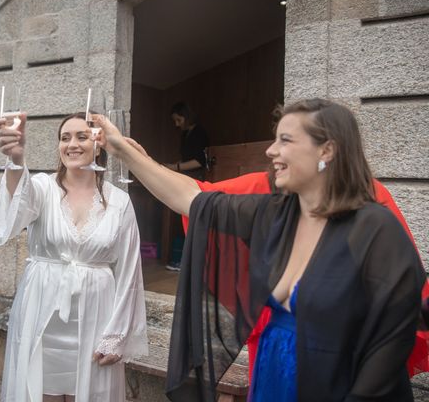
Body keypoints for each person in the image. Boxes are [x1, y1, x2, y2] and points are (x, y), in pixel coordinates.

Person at [96, 99, 427, 401]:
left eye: (286, 140)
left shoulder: (375, 229)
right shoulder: (275, 214)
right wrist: (123, 151)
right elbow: (192, 199)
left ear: (326, 150)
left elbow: (387, 351)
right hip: (272, 381)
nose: (270, 151)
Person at [0, 112, 148, 401]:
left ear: (98, 144)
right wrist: (16, 160)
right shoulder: (42, 187)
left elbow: (130, 271)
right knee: (41, 392)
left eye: (82, 136)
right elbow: (14, 213)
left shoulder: (119, 200)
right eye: (65, 138)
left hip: (95, 318)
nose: (72, 144)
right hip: (43, 317)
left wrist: (118, 335)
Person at [163, 102, 209, 271]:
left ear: (187, 116)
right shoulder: (185, 134)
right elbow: (185, 160)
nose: (177, 124)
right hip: (185, 176)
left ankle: (188, 261)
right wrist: (173, 165)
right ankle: (181, 259)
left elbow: (199, 161)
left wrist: (174, 168)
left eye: (179, 119)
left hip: (195, 180)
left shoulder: (199, 132)